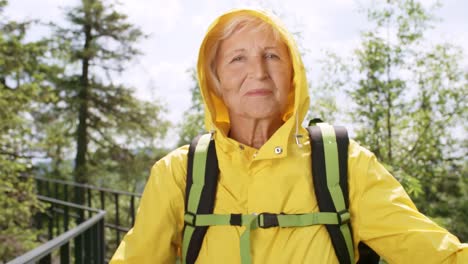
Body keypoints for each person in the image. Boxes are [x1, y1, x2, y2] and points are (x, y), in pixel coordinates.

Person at [110, 8, 468, 264]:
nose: (259, 72)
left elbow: (435, 254)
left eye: (272, 56)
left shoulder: (346, 165)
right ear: (214, 80)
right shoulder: (178, 174)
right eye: (238, 59)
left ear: (293, 74)